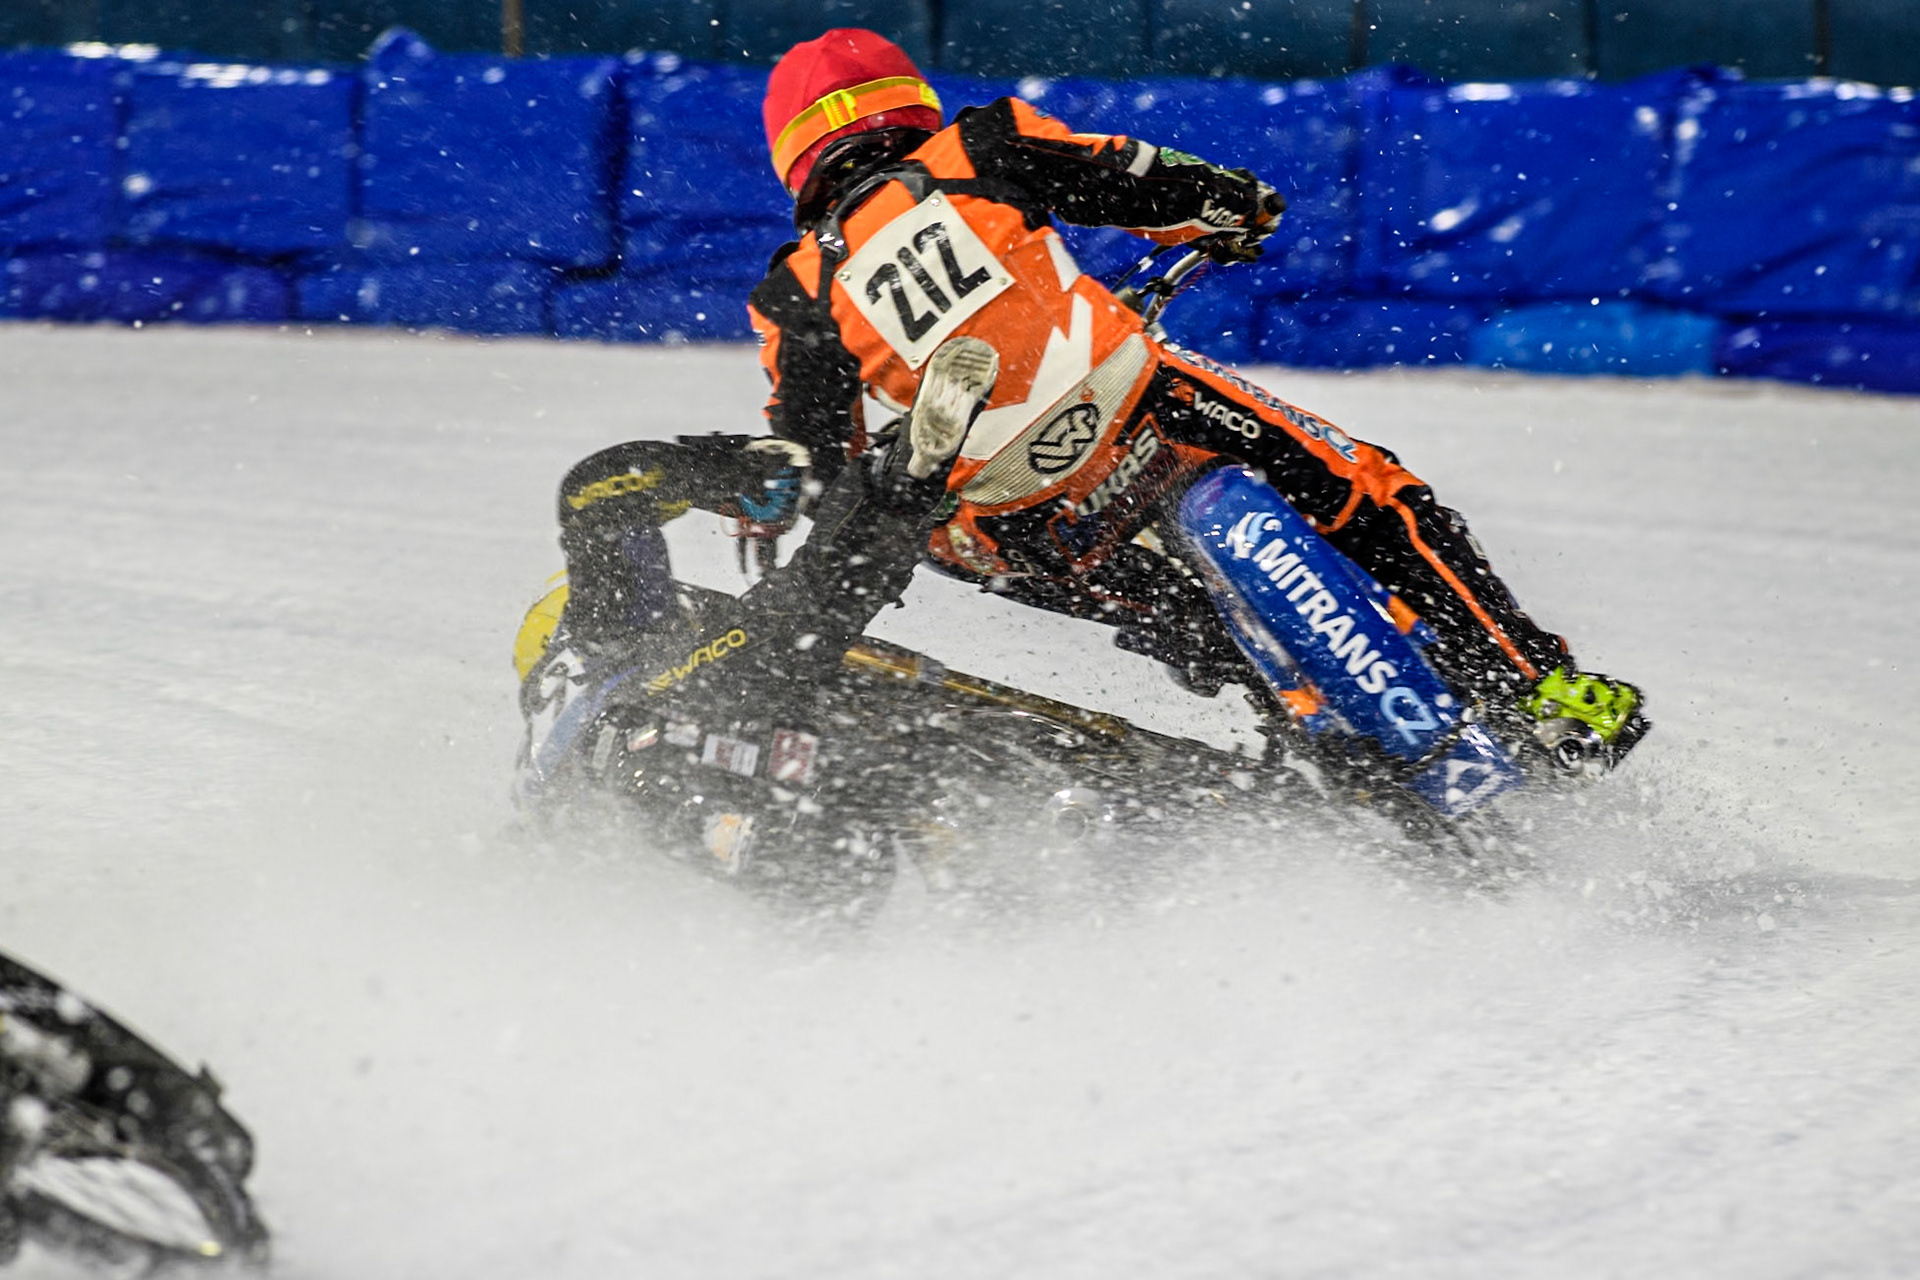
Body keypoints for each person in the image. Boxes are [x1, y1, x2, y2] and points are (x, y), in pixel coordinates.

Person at [737, 28, 1646, 768]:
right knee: (1369, 498)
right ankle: (1533, 682)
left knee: (1165, 614)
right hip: (1134, 399)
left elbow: (809, 451)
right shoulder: (977, 144)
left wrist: (817, 481)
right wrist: (1230, 205)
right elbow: (1136, 175)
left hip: (1005, 501)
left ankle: (1293, 729)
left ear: (795, 155)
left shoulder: (795, 286)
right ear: (908, 103)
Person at [513, 376, 996, 912]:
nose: (687, 611)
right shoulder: (603, 640)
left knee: (827, 859)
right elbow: (592, 489)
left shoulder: (548, 793)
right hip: (666, 725)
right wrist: (728, 471)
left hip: (724, 788)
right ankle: (905, 478)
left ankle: (961, 871)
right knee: (801, 609)